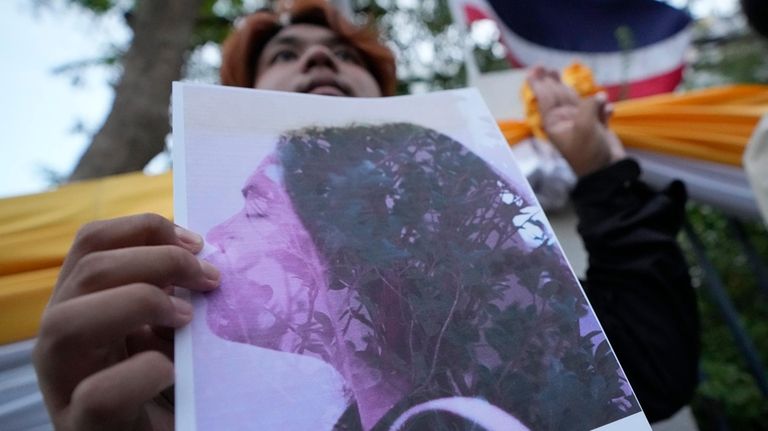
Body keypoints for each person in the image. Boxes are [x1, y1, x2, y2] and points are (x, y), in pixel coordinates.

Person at [32, 0, 699, 429]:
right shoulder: (162, 357)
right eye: (284, 56)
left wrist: (602, 170)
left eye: (346, 56)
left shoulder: (477, 387)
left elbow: (653, 373)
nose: (320, 57)